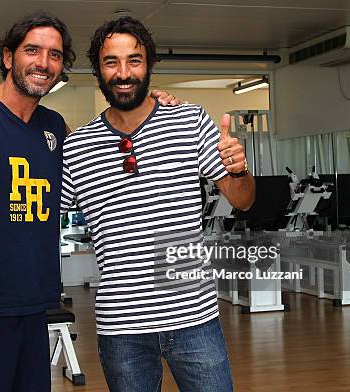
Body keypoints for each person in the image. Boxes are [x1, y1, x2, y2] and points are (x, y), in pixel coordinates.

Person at [0, 12, 180, 392]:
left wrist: (152, 105)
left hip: (34, 308)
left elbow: (106, 159)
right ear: (7, 57)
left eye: (54, 55)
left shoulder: (55, 127)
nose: (43, 62)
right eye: (32, 50)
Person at [60, 17, 255, 392]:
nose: (123, 72)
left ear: (148, 65)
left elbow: (243, 199)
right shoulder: (78, 147)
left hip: (194, 319)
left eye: (134, 60)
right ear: (98, 70)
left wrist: (240, 169)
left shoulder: (190, 121)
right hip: (121, 329)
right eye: (111, 61)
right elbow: (43, 213)